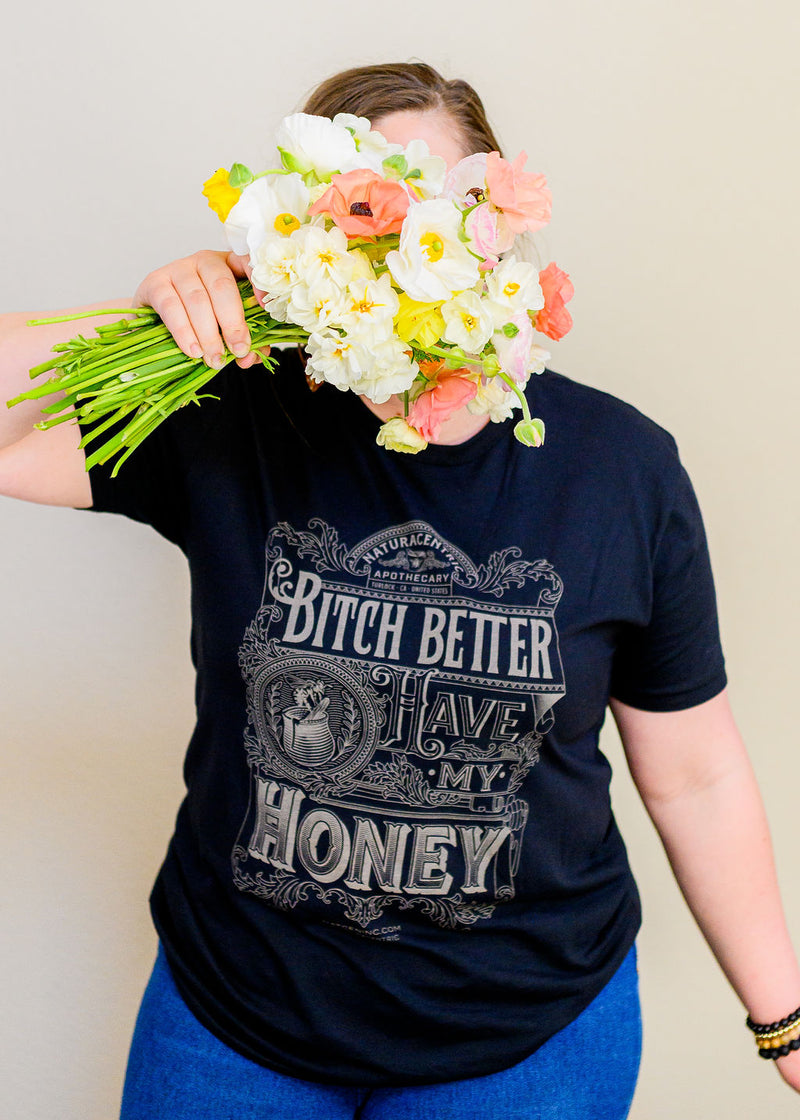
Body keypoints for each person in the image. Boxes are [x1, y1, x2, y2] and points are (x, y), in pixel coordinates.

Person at [1, 62, 799, 1120]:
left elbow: (694, 772)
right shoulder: (234, 418)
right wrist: (163, 322)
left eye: (431, 210)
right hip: (235, 1022)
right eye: (352, 224)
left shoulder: (621, 468)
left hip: (526, 1044)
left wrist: (785, 1021)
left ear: (499, 229)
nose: (393, 255)